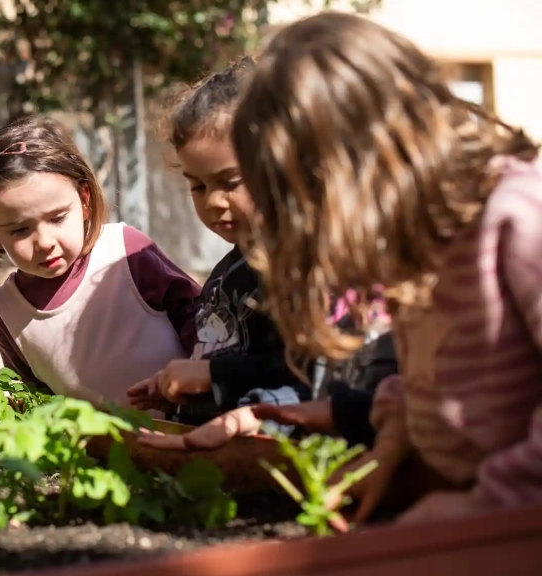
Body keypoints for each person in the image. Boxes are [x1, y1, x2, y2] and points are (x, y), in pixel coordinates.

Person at [229, 11, 542, 525]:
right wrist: (392, 443)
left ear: (378, 159)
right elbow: (426, 373)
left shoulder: (515, 218)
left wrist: (488, 505)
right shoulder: (416, 242)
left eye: (318, 200)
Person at [0, 115, 200, 411]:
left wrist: (201, 379)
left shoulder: (126, 253)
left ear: (84, 200)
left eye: (57, 218)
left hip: (189, 432)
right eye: (20, 230)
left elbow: (204, 323)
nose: (44, 241)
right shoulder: (9, 310)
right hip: (98, 455)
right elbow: (36, 403)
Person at [125, 59, 311, 431]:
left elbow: (304, 372)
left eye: (229, 182)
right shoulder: (231, 268)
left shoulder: (298, 268)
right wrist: (181, 386)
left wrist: (212, 374)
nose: (212, 202)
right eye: (198, 186)